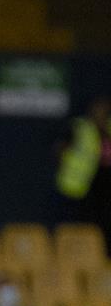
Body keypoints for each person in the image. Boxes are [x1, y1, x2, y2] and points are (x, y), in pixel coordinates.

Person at [54, 94, 111, 250]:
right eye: (98, 110)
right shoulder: (80, 127)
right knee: (71, 229)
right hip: (75, 187)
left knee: (98, 231)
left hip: (102, 190)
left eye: (105, 110)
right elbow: (60, 148)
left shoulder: (108, 129)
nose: (101, 113)